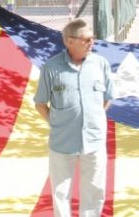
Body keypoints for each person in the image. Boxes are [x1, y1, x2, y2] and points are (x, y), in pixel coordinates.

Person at [33, 19, 114, 217]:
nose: (91, 43)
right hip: (62, 142)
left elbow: (107, 98)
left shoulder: (100, 64)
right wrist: (58, 123)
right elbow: (40, 104)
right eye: (86, 39)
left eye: (92, 38)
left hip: (94, 141)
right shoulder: (51, 68)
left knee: (94, 192)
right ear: (70, 41)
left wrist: (91, 119)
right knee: (60, 192)